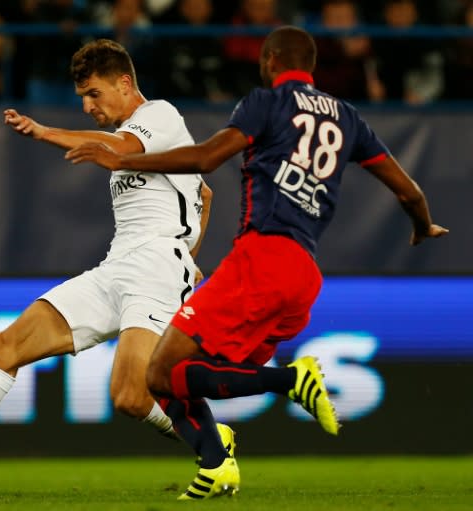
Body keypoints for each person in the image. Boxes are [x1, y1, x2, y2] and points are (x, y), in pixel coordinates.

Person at [66, 26, 449, 500]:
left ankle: (291, 380)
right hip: (304, 276)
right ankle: (216, 466)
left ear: (269, 62)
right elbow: (408, 190)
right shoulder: (347, 117)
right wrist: (423, 225)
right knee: (185, 376)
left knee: (160, 372)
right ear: (311, 65)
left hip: (260, 259)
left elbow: (207, 158)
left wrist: (119, 161)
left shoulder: (266, 103)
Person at [0, 38, 236, 487]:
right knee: (5, 347)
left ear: (125, 83)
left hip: (155, 269)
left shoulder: (159, 116)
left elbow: (124, 148)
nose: (88, 106)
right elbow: (204, 195)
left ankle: (212, 440)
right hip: (116, 268)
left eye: (94, 93)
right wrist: (191, 253)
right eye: (82, 98)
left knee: (131, 396)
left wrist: (44, 131)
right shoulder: (138, 145)